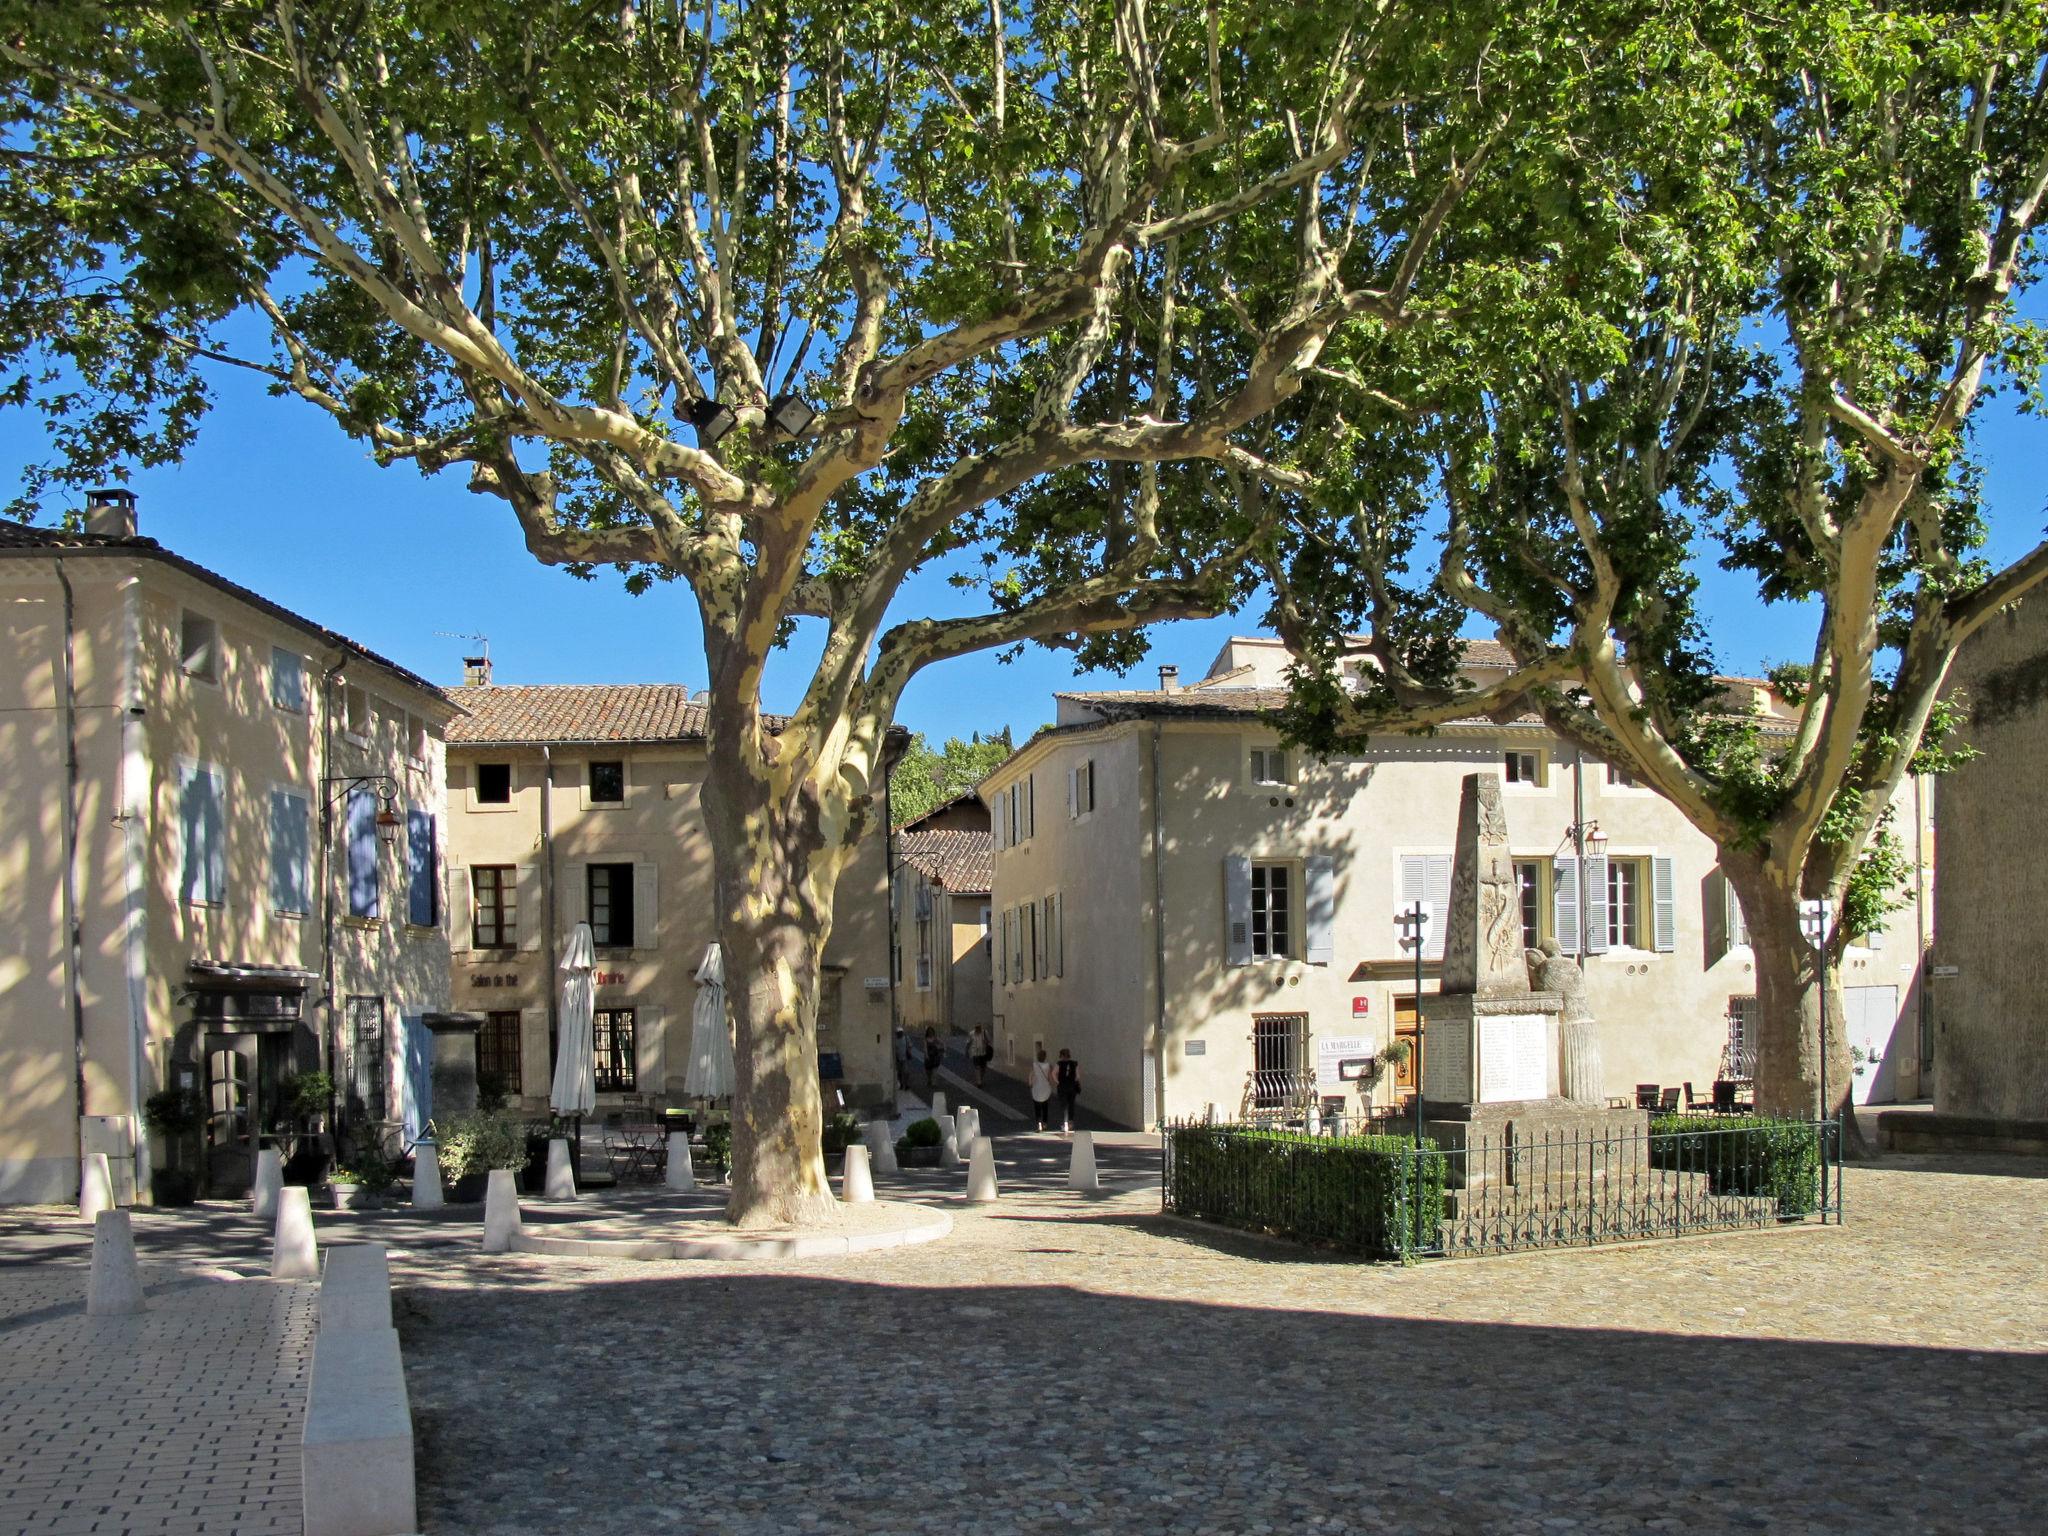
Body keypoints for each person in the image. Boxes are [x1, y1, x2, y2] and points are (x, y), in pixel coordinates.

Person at [1054, 1047, 1081, 1133]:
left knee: (1063, 1105)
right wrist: (1074, 1081)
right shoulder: (1074, 1063)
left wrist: (1057, 1082)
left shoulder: (1059, 1063)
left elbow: (1053, 1073)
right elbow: (1078, 1076)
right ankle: (1070, 1123)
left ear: (1061, 1055)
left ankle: (1064, 1123)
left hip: (1062, 1087)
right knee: (1071, 1105)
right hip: (1072, 1087)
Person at [1027, 1046, 1055, 1131]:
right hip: (1045, 1087)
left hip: (1036, 1087)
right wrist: (1051, 1085)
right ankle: (1045, 1124)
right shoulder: (1048, 1065)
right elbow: (1050, 1077)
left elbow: (1031, 1075)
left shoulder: (1034, 1065)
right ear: (1045, 1057)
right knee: (1045, 1106)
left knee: (1037, 1107)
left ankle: (1039, 1124)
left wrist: (1030, 1084)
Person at [922, 1027, 945, 1095]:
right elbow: (925, 1048)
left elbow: (942, 1043)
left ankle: (934, 1083)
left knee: (935, 1070)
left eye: (931, 1031)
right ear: (927, 1033)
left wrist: (940, 1049)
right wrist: (926, 1055)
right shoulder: (925, 1040)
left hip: (935, 1057)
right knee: (928, 1071)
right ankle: (929, 1080)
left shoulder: (935, 1038)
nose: (930, 1033)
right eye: (929, 1032)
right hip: (928, 1057)